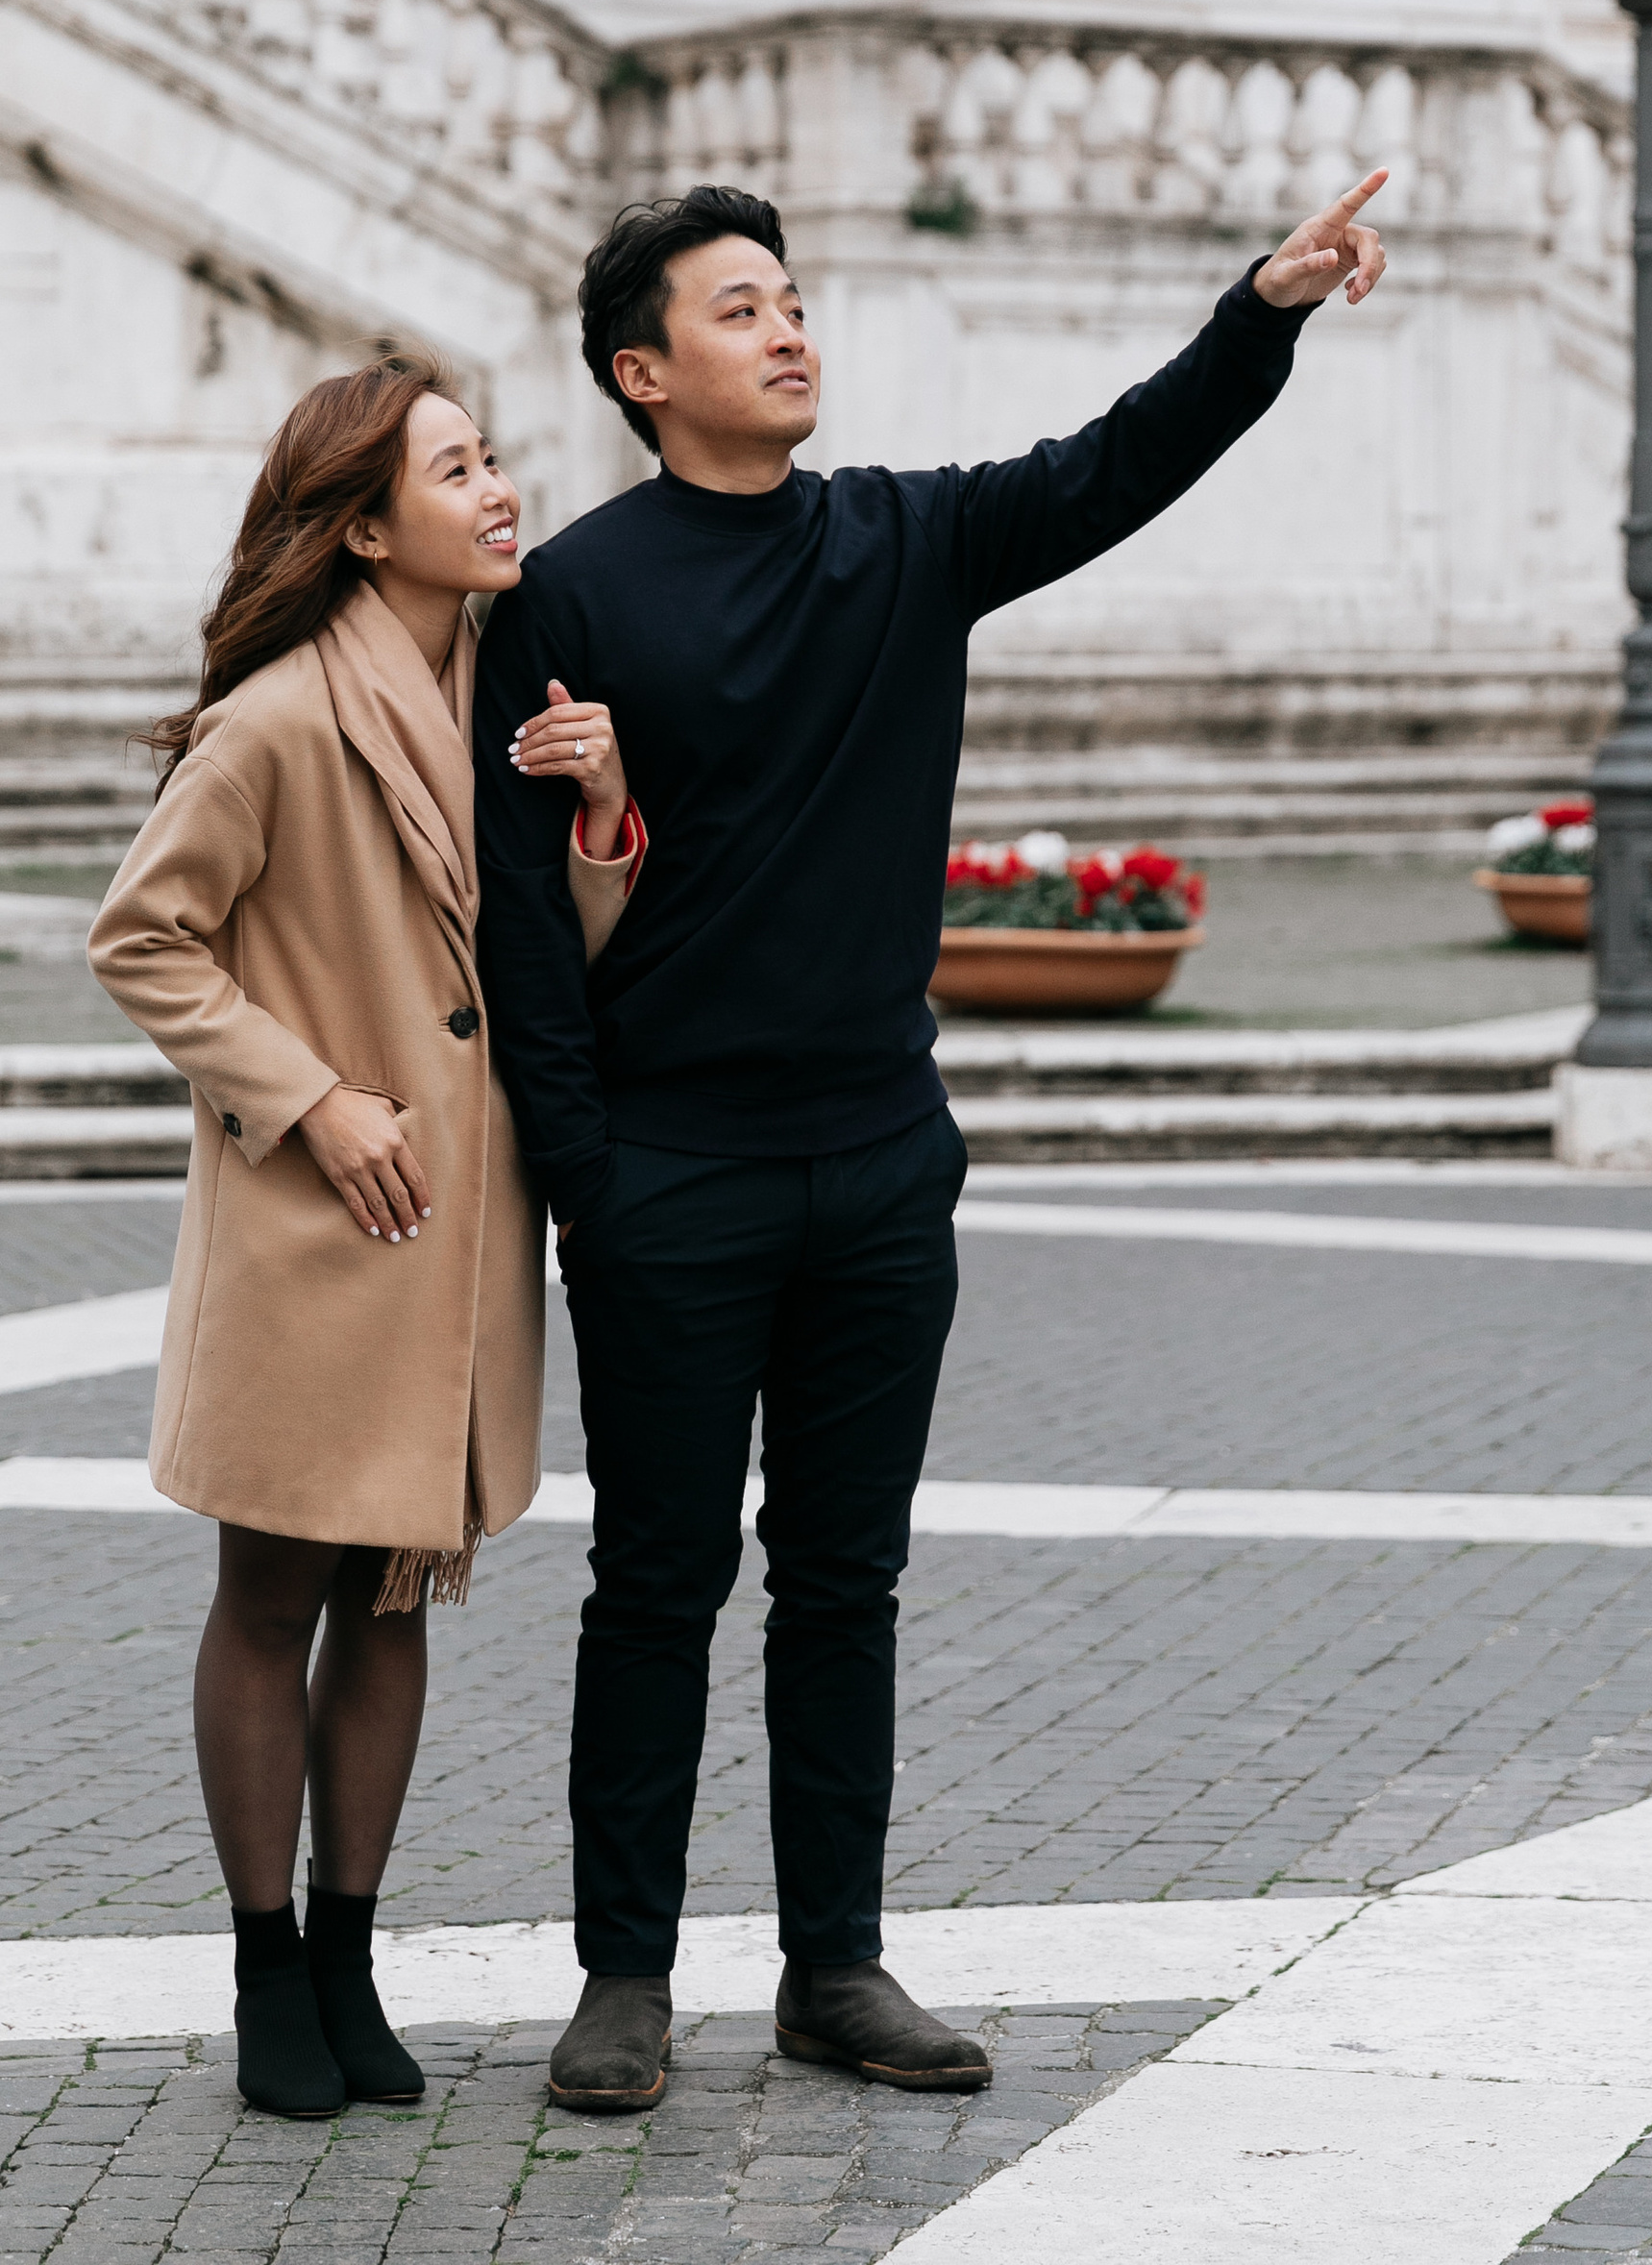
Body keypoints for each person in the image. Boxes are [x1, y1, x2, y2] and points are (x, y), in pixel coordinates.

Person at [473, 172, 1389, 2114]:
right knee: (652, 1584)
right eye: (736, 311)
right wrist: (583, 1170)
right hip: (672, 1173)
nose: (785, 328)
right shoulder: (571, 589)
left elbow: (1112, 467)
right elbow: (513, 909)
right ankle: (621, 1980)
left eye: (789, 299)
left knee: (844, 1583)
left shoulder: (902, 539)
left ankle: (833, 1967)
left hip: (881, 1159)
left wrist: (1264, 311)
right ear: (642, 372)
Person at [89, 357, 646, 2121]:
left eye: (495, 461)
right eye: (459, 470)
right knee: (272, 1592)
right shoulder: (272, 722)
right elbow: (145, 939)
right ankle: (268, 1965)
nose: (498, 493)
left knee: (396, 1590)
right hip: (319, 1220)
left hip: (462, 1222)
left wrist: (601, 810)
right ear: (362, 523)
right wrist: (311, 1095)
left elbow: (560, 959)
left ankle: (350, 1953)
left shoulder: (507, 692)